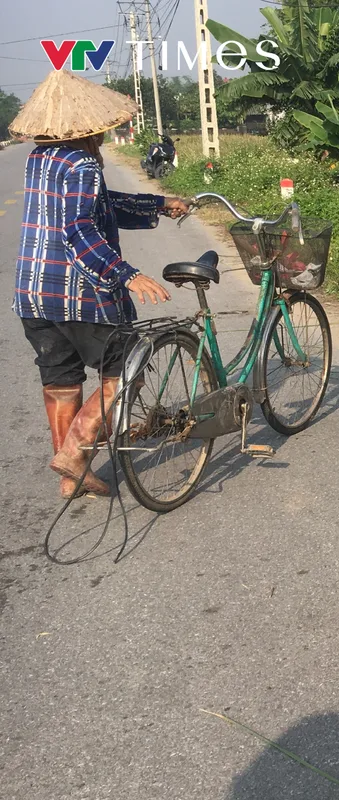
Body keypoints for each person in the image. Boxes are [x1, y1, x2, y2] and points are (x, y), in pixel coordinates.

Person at [9, 69, 189, 498]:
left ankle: (71, 478)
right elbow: (80, 230)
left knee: (61, 379)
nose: (107, 136)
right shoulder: (85, 164)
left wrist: (160, 204)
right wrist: (128, 275)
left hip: (34, 296)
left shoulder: (42, 158)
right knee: (127, 367)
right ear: (90, 128)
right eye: (105, 129)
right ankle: (75, 454)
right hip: (78, 296)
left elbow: (101, 207)